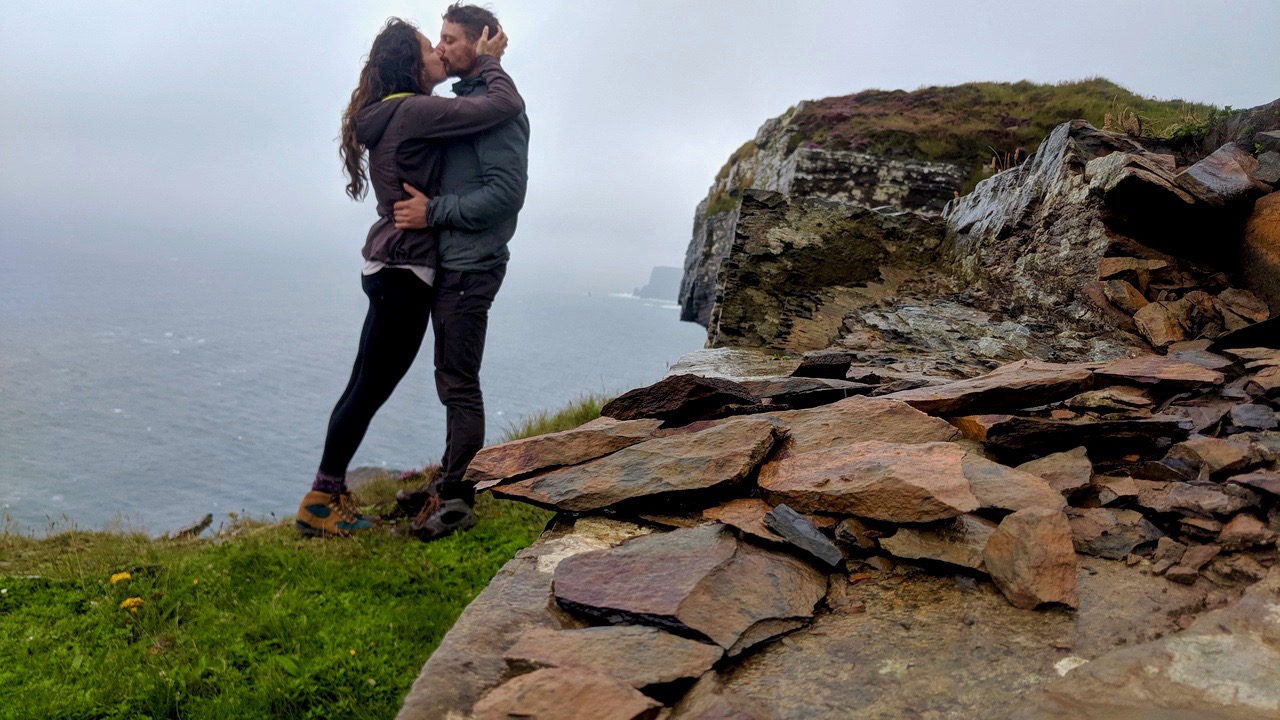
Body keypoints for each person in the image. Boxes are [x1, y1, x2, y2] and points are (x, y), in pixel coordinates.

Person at [295, 16, 521, 538]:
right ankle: (322, 499)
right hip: (403, 270)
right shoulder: (416, 110)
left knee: (363, 384)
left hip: (387, 266)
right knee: (369, 388)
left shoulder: (391, 111)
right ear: (411, 65)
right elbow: (503, 105)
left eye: (444, 42)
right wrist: (490, 62)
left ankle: (326, 491)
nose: (439, 53)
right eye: (430, 47)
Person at [392, 3, 530, 541]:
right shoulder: (469, 102)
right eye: (440, 39)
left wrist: (433, 212)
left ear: (481, 42)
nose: (441, 48)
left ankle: (457, 501)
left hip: (473, 265)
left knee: (460, 383)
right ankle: (449, 479)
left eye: (451, 39)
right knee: (449, 376)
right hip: (457, 262)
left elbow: (504, 194)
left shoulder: (498, 111)